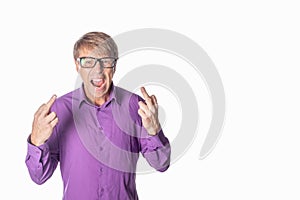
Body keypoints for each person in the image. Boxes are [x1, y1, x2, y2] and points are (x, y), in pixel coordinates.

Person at [25, 32, 171, 200]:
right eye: (88, 62)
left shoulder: (135, 106)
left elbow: (161, 164)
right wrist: (36, 141)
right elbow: (39, 177)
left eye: (106, 61)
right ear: (77, 65)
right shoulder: (59, 110)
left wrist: (154, 131)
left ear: (114, 66)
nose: (97, 70)